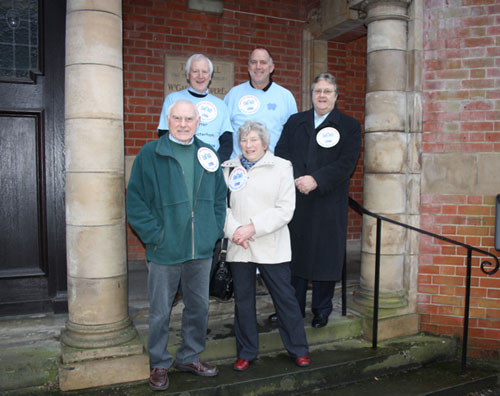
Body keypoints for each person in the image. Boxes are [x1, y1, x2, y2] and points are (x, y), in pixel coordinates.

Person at [126, 100, 227, 391]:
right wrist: (156, 236)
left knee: (198, 306)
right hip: (165, 248)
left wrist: (212, 231)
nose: (183, 124)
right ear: (168, 120)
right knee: (160, 310)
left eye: (189, 119)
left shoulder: (208, 154)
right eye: (178, 118)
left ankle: (190, 356)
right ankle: (159, 363)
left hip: (200, 249)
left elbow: (220, 198)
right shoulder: (151, 153)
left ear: (198, 122)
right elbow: (136, 201)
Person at [274, 73, 362, 328]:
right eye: (318, 91)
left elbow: (346, 163)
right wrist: (299, 178)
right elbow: (282, 153)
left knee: (325, 256)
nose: (322, 96)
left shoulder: (349, 125)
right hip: (298, 198)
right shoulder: (296, 121)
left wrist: (317, 179)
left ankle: (321, 310)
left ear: (335, 96)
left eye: (327, 91)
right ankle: (292, 308)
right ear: (312, 95)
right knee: (296, 257)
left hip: (328, 200)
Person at [222, 120, 310, 372]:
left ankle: (298, 349)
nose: (248, 145)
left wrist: (252, 227)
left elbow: (286, 208)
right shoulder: (228, 168)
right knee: (244, 302)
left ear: (265, 142)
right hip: (240, 245)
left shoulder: (282, 166)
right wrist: (235, 231)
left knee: (285, 299)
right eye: (244, 140)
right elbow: (221, 206)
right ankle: (246, 352)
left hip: (271, 242)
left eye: (253, 140)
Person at [157, 54, 234, 162]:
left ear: (210, 76)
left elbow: (227, 141)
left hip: (211, 165)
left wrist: (215, 164)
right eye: (195, 71)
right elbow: (164, 134)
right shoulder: (172, 99)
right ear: (187, 75)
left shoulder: (221, 105)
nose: (200, 76)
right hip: (180, 162)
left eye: (204, 72)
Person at [224, 48, 297, 157]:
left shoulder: (286, 97)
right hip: (239, 167)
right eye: (254, 62)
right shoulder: (233, 94)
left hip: (273, 168)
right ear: (249, 67)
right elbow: (224, 133)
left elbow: (294, 137)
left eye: (263, 62)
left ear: (271, 68)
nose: (258, 66)